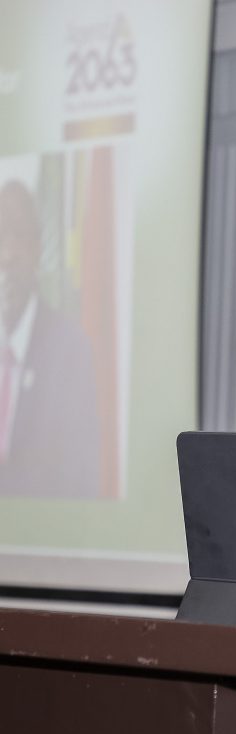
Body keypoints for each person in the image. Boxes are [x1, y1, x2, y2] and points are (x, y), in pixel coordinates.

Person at [0, 179, 100, 497]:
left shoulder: (70, 350)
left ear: (37, 249)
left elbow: (79, 477)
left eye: (18, 235)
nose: (7, 254)